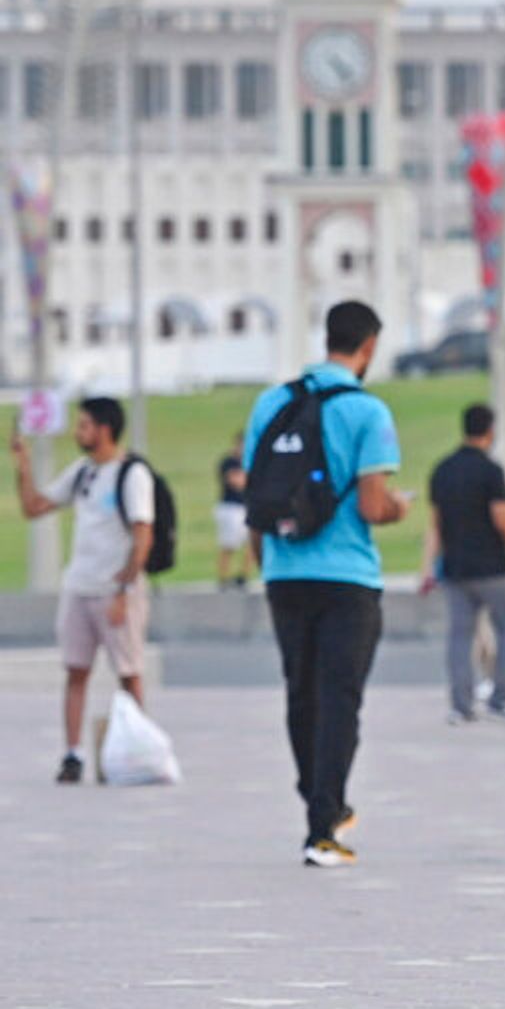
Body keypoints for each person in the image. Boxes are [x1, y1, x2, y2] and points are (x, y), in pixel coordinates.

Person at [244, 301, 408, 868]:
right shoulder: (368, 411)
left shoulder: (272, 403)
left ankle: (317, 796)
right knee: (339, 697)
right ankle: (323, 825)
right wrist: (399, 508)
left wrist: (267, 563)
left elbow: (257, 498)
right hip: (347, 576)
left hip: (284, 571)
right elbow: (371, 505)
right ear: (369, 346)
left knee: (301, 692)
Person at [11, 398, 156, 784]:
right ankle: (73, 754)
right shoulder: (82, 472)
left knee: (128, 673)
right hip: (79, 585)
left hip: (115, 589)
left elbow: (143, 536)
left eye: (84, 425)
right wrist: (23, 466)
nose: (78, 432)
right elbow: (34, 507)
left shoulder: (132, 474)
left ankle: (136, 748)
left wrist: (123, 590)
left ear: (104, 429)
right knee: (76, 671)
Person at [424, 403, 505, 724]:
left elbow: (435, 524)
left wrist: (428, 567)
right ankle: (502, 699)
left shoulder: (442, 470)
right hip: (492, 567)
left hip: (455, 568)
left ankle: (461, 705)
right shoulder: (491, 471)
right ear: (490, 431)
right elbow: (503, 519)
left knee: (460, 637)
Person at [216, 430, 252, 589]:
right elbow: (237, 482)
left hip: (246, 507)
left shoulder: (249, 461)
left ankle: (243, 576)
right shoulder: (228, 462)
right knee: (229, 545)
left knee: (250, 544)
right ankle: (223, 577)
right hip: (230, 508)